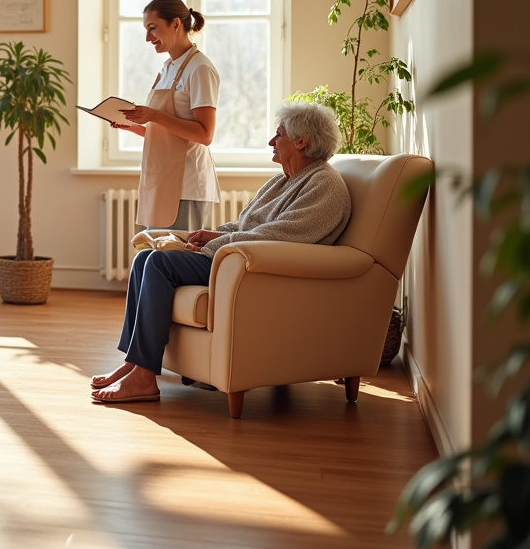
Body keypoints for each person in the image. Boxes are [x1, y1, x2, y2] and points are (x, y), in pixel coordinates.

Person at [89, 100, 352, 404]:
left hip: (256, 271)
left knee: (159, 262)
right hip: (238, 258)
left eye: (278, 134)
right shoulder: (283, 181)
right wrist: (213, 235)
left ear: (301, 141)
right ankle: (134, 363)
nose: (271, 141)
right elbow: (245, 224)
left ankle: (145, 378)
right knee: (145, 257)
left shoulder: (325, 185)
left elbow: (286, 236)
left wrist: (219, 243)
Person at [114, 0, 220, 231]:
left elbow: (205, 135)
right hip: (160, 183)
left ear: (175, 24)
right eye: (146, 29)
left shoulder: (200, 69)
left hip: (187, 185)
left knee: (177, 262)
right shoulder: (167, 68)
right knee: (151, 259)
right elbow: (167, 134)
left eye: (153, 28)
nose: (147, 38)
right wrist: (132, 125)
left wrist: (154, 116)